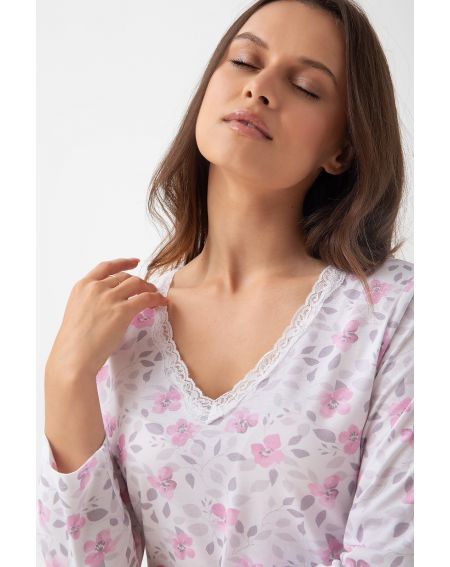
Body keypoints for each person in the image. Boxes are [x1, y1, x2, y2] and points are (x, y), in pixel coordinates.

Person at [37, 0, 413, 565]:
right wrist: (66, 380)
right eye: (244, 61)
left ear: (342, 150)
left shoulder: (394, 312)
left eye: (305, 87)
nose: (259, 89)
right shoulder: (131, 320)